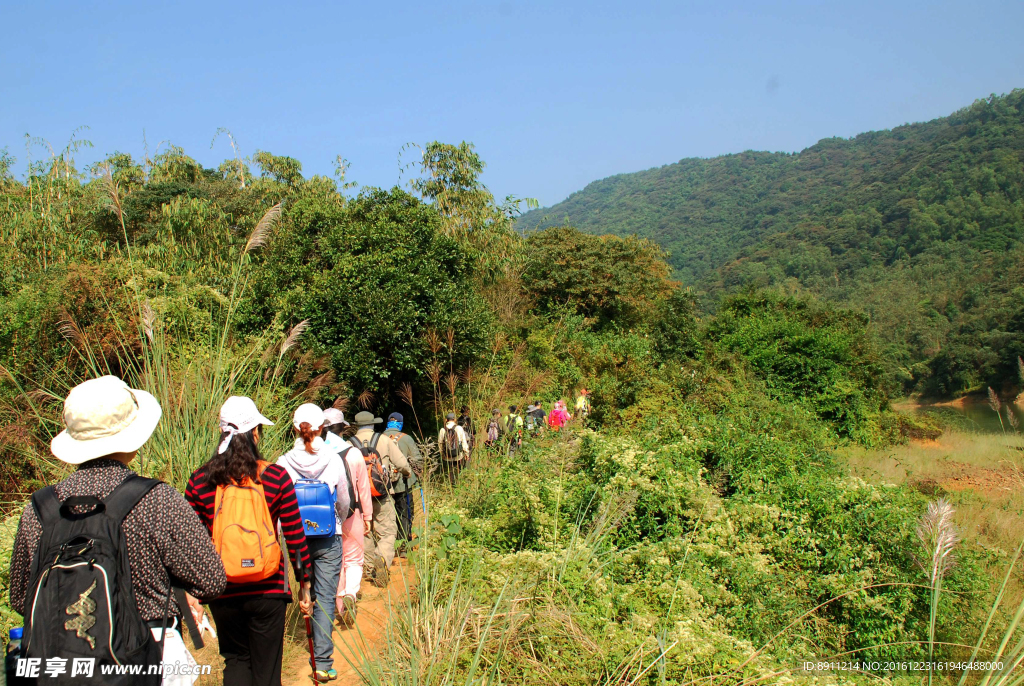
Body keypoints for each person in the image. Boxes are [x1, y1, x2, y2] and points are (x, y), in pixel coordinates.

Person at [9, 376, 227, 683]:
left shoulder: (40, 509)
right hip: (149, 655)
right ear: (131, 437)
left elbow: (21, 597)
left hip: (62, 662)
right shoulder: (156, 499)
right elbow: (211, 580)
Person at [185, 396, 312, 686]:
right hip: (268, 589)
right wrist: (305, 586)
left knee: (236, 660)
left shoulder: (200, 481)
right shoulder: (276, 477)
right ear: (255, 433)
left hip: (222, 589)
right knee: (267, 671)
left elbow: (192, 542)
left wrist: (193, 593)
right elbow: (294, 537)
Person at [276, 404, 351, 682]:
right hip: (329, 536)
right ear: (322, 428)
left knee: (306, 587)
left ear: (295, 428)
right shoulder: (333, 459)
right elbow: (343, 500)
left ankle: (304, 598)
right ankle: (322, 662)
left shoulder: (283, 461)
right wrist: (337, 520)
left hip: (297, 537)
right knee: (326, 598)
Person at [322, 409, 371, 625]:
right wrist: (367, 516)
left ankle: (339, 603)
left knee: (335, 561)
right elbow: (363, 488)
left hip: (323, 518)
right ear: (343, 428)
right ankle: (351, 595)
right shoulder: (353, 453)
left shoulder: (315, 452)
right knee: (353, 559)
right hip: (352, 513)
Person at [351, 411, 412, 575]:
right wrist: (407, 473)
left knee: (365, 532)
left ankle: (369, 567)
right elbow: (402, 463)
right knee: (387, 531)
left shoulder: (349, 445)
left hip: (359, 497)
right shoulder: (383, 440)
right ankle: (382, 558)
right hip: (382, 493)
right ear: (372, 424)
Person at [382, 412, 421, 558]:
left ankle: (388, 545)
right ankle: (404, 545)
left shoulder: (379, 439)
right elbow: (417, 460)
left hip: (384, 485)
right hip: (403, 483)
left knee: (387, 514)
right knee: (405, 512)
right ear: (400, 423)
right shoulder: (406, 439)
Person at [438, 412, 470, 481]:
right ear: (455, 419)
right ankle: (459, 483)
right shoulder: (459, 428)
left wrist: (442, 454)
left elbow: (440, 443)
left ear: (446, 420)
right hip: (458, 455)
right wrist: (466, 453)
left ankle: (452, 485)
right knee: (459, 470)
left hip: (447, 455)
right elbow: (463, 441)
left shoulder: (442, 430)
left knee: (451, 472)